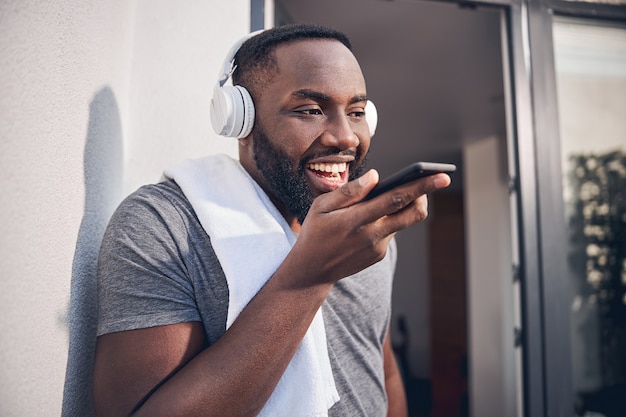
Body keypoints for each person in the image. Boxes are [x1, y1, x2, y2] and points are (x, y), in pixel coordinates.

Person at [92, 23, 451, 417]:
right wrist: (309, 277)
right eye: (311, 110)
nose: (346, 137)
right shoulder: (162, 228)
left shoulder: (371, 229)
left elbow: (380, 368)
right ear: (240, 119)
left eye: (357, 112)